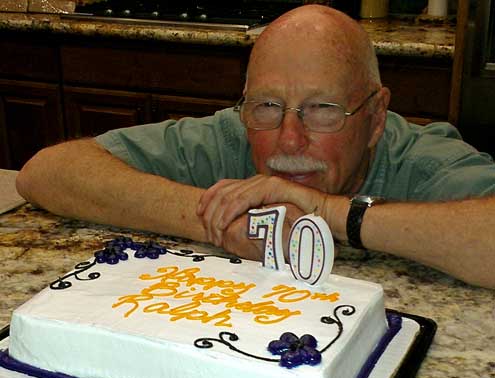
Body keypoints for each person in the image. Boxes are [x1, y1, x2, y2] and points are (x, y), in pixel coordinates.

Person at [16, 5, 495, 288]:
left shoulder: (420, 159)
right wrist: (219, 221)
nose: (288, 139)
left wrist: (328, 211)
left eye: (323, 109)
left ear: (374, 118)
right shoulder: (230, 134)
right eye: (267, 105)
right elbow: (46, 172)